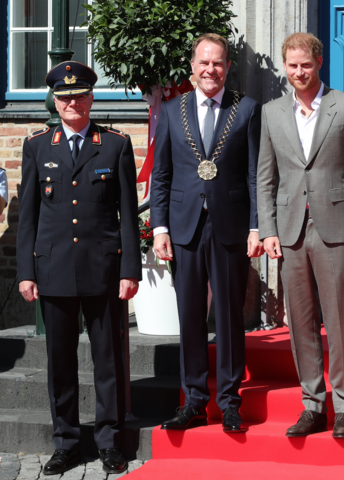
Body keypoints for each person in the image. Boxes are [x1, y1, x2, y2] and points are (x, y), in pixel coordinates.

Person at [17, 61, 141, 475]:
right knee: (60, 363)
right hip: (53, 271)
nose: (73, 103)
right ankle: (66, 442)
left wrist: (131, 271)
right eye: (65, 97)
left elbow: (127, 212)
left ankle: (109, 441)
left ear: (92, 98)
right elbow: (29, 218)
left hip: (104, 271)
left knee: (108, 362)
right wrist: (25, 272)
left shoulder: (115, 145)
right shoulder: (37, 146)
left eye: (80, 95)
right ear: (55, 101)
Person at [257, 32, 344, 439]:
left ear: (319, 62)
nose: (298, 72)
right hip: (290, 231)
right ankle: (312, 404)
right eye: (291, 66)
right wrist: (268, 229)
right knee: (300, 323)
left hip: (337, 228)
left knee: (338, 320)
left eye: (305, 65)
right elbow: (265, 179)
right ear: (284, 66)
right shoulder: (272, 112)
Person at [151, 33, 263, 434]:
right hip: (183, 227)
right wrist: (159, 227)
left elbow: (254, 175)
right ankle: (194, 400)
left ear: (227, 66)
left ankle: (230, 401)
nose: (210, 69)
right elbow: (160, 174)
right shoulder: (171, 110)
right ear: (192, 67)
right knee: (190, 316)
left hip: (230, 226)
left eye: (218, 63)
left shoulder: (247, 110)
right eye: (204, 62)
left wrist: (256, 226)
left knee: (230, 317)